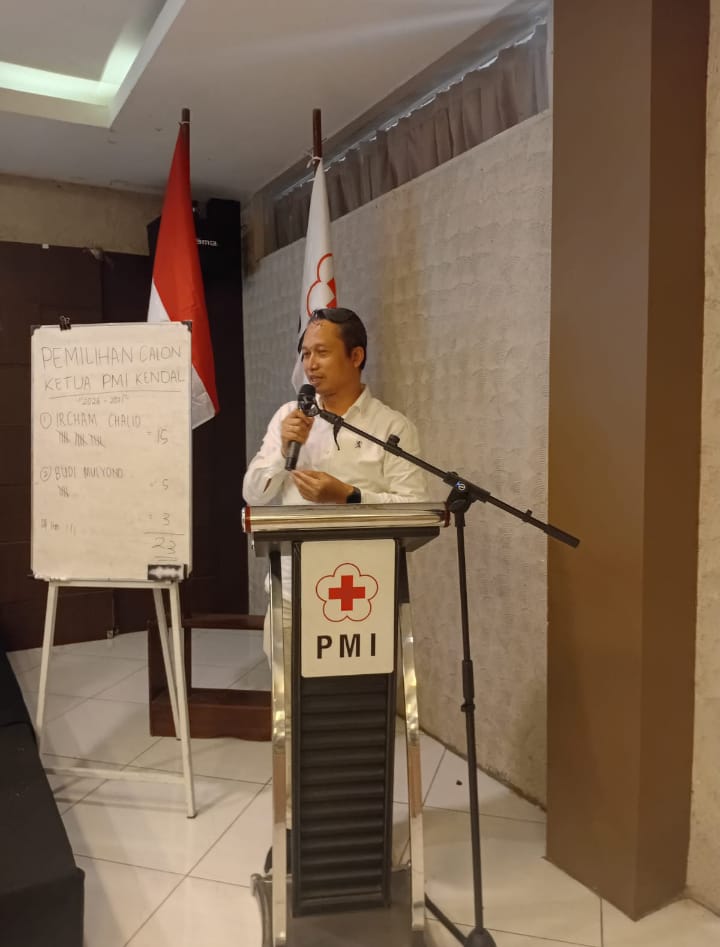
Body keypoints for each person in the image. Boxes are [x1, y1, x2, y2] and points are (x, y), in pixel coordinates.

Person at [242, 307, 429, 654]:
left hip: (366, 594)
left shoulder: (392, 427)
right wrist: (283, 450)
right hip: (292, 593)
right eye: (305, 354)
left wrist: (350, 496)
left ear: (356, 356)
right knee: (289, 689)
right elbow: (253, 494)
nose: (310, 364)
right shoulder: (288, 416)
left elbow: (415, 510)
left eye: (322, 352)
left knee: (366, 688)